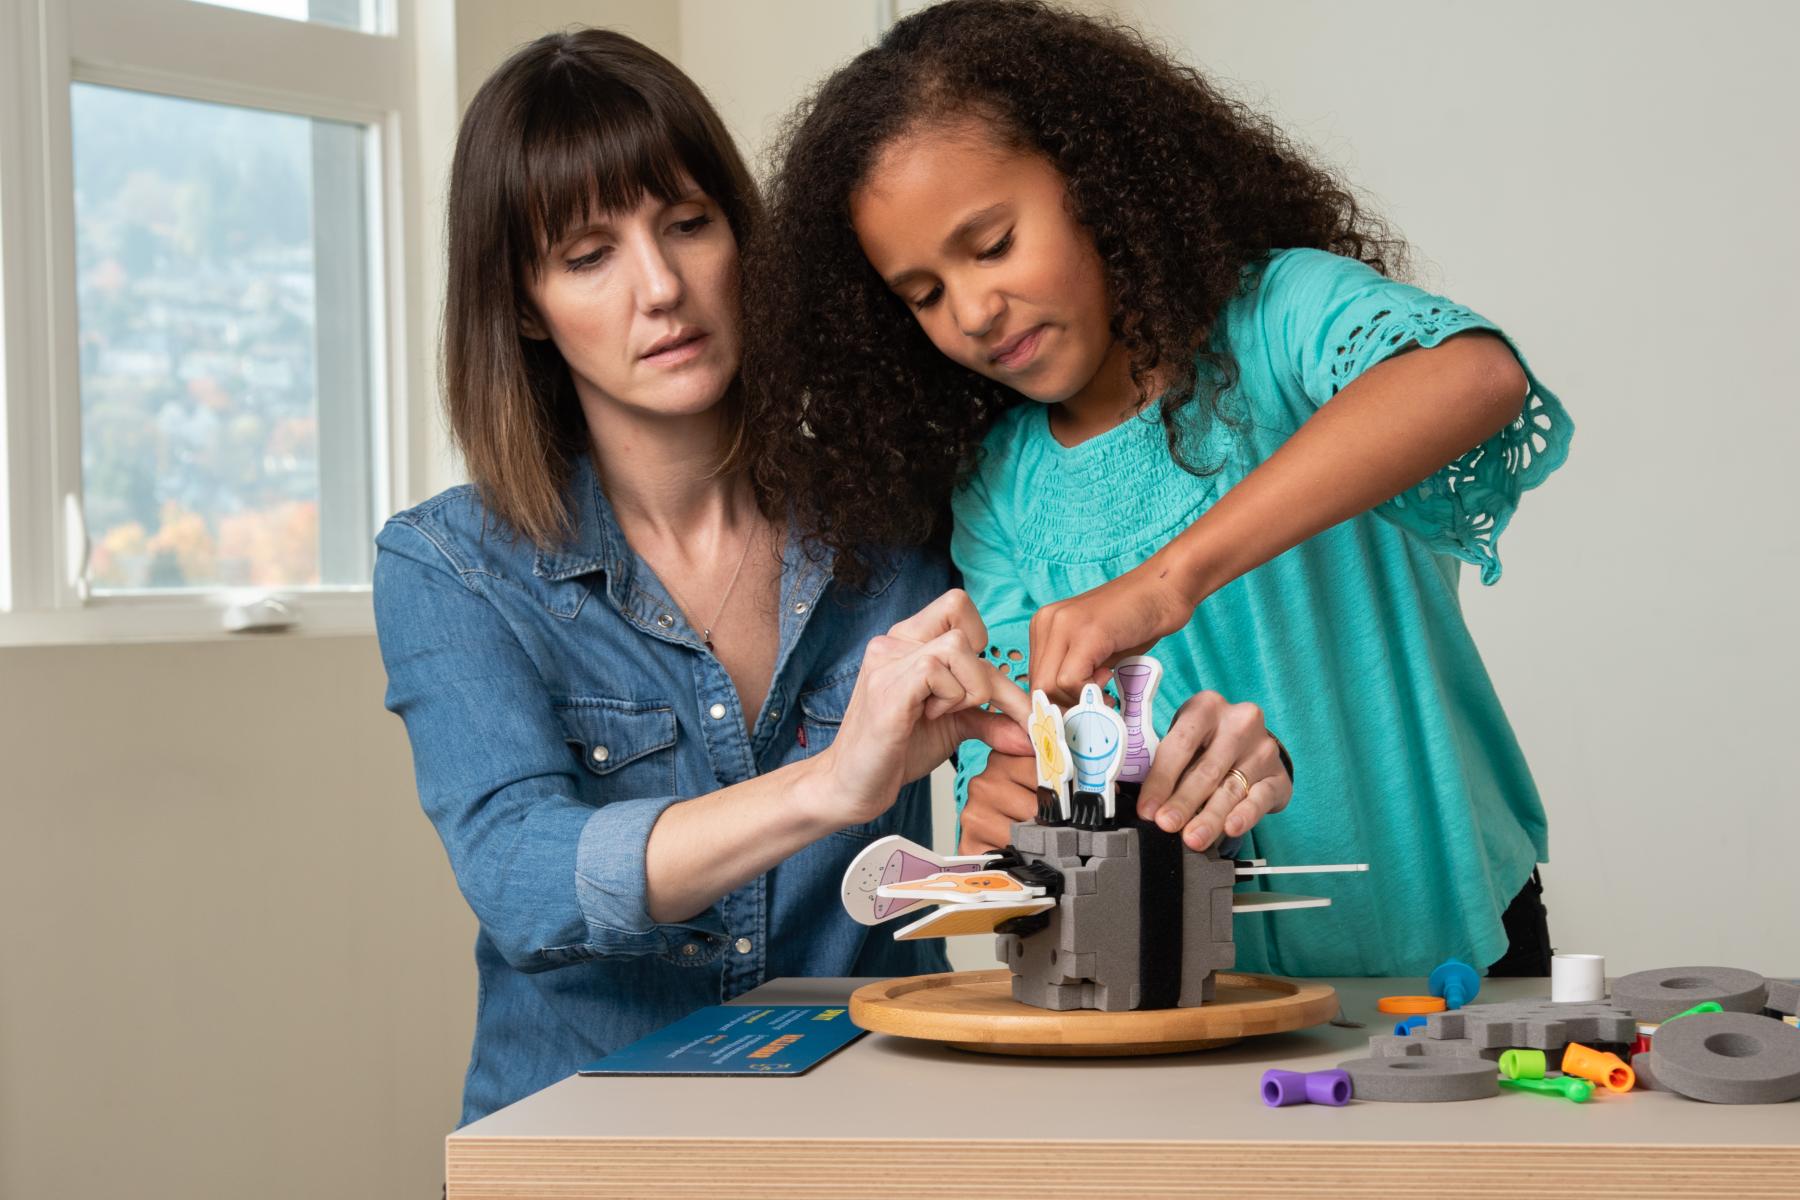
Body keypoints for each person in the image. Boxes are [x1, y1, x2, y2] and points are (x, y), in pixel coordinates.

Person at [743, 0, 1571, 978]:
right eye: (922, 293)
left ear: (1097, 181)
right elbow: (1017, 759)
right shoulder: (999, 494)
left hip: (1456, 941)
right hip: (1198, 995)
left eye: (993, 243)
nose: (972, 308)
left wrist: (1169, 580)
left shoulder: (1278, 323)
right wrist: (1004, 800)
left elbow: (1471, 376)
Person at [372, 28, 1029, 1125]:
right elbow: (520, 876)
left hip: (878, 1135)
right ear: (527, 306)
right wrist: (833, 783)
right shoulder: (453, 565)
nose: (662, 287)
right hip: (583, 1148)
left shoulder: (904, 517)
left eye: (688, 225)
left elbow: (1058, 752)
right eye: (589, 257)